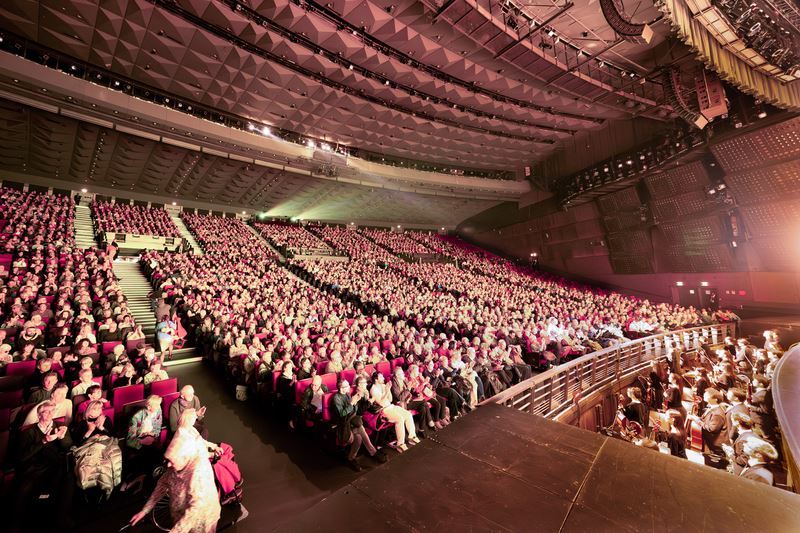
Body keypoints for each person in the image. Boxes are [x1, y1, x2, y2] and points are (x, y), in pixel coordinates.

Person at [129, 409, 222, 532]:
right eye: (169, 460)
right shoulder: (177, 465)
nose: (168, 465)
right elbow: (162, 484)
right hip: (179, 516)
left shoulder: (198, 474)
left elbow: (194, 511)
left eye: (172, 460)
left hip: (201, 522)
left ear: (183, 457)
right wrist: (144, 511)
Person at [12, 401, 75, 531]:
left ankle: (61, 517)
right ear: (39, 415)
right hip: (35, 466)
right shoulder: (28, 432)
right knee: (23, 487)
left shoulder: (60, 427)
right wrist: (43, 441)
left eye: (52, 411)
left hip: (55, 464)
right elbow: (21, 457)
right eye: (47, 412)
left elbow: (68, 446)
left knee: (69, 479)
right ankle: (16, 523)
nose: (51, 414)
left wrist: (62, 437)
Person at [331, 378, 387, 471]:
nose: (349, 387)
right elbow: (342, 414)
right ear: (341, 389)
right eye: (347, 386)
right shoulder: (336, 398)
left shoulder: (347, 395)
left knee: (360, 432)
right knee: (359, 436)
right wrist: (352, 403)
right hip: (343, 425)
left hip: (350, 422)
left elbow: (355, 411)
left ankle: (357, 456)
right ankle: (367, 454)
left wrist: (357, 401)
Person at [369, 371, 418, 452]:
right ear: (376, 379)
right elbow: (380, 402)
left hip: (391, 406)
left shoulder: (384, 385)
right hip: (383, 410)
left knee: (408, 414)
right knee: (399, 419)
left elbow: (390, 399)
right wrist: (387, 391)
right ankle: (400, 444)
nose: (383, 378)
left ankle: (411, 437)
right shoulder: (373, 389)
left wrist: (388, 390)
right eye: (381, 377)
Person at [689, 388, 729, 469]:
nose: (704, 395)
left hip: (715, 447)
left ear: (715, 399)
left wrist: (697, 420)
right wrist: (696, 418)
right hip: (710, 444)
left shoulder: (717, 413)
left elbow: (712, 428)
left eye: (707, 395)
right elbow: (706, 421)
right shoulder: (711, 408)